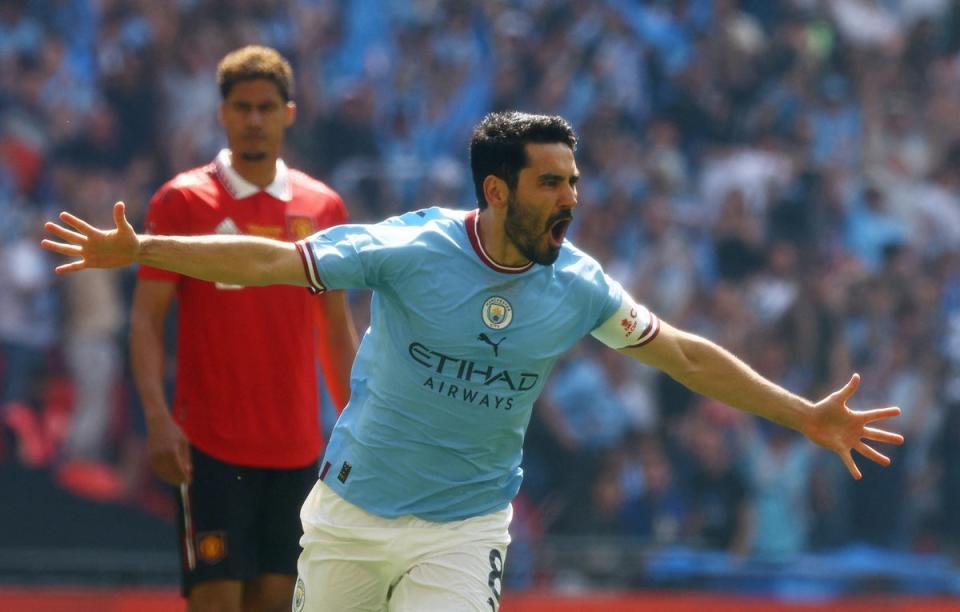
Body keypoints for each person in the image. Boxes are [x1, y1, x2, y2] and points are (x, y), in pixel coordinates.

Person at [41, 111, 903, 612]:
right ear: (496, 191)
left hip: (463, 529)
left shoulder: (579, 284)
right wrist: (147, 247)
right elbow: (270, 262)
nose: (571, 197)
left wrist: (803, 414)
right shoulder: (409, 247)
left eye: (574, 181)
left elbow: (681, 355)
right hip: (347, 513)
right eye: (550, 183)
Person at [132, 46, 358, 612]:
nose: (253, 119)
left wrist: (362, 430)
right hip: (208, 446)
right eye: (241, 107)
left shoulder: (322, 206)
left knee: (279, 604)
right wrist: (157, 420)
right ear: (222, 114)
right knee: (216, 603)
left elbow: (335, 329)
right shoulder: (183, 200)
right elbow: (145, 320)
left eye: (265, 106)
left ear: (289, 112)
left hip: (296, 449)